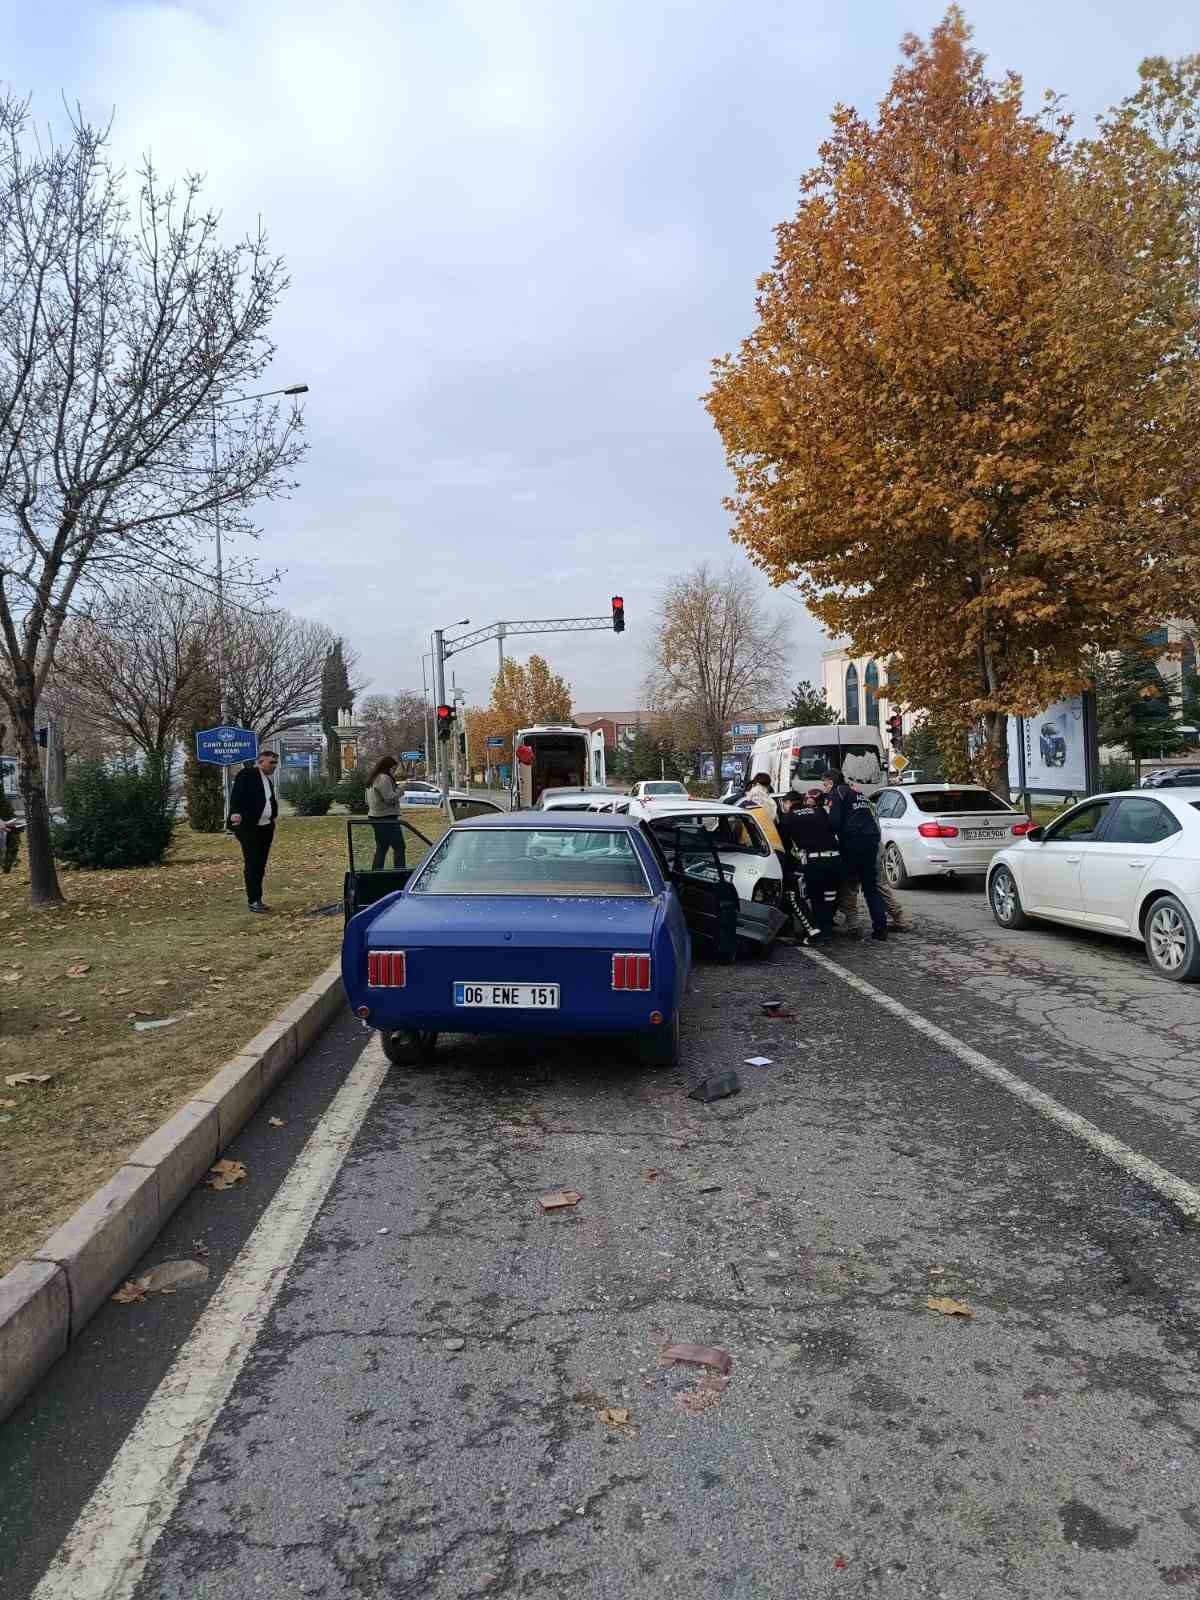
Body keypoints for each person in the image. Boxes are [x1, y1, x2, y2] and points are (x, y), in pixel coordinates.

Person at [822, 767, 888, 941]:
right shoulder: (857, 794)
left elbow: (834, 823)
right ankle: (880, 928)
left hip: (852, 843)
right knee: (870, 888)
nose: (824, 789)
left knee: (838, 881)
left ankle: (828, 923)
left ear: (830, 781)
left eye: (825, 784)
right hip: (871, 841)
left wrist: (821, 828)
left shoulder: (837, 793)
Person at [776, 791, 833, 943]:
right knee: (826, 897)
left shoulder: (787, 819)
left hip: (812, 861)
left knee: (794, 895)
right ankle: (826, 930)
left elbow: (784, 846)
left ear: (788, 803)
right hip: (833, 859)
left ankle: (812, 932)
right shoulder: (819, 811)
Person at [228, 749, 279, 913]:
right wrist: (235, 813)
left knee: (261, 864)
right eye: (271, 762)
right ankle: (254, 899)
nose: (274, 766)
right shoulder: (247, 774)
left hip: (266, 827)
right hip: (250, 828)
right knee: (253, 863)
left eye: (275, 763)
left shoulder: (267, 780)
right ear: (261, 761)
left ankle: (258, 898)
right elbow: (236, 795)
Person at [366, 755, 405, 870]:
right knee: (399, 847)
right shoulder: (384, 778)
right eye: (393, 768)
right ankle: (400, 872)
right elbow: (390, 798)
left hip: (375, 816)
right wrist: (401, 789)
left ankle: (376, 873)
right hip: (386, 818)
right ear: (387, 767)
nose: (393, 771)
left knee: (382, 848)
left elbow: (366, 801)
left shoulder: (373, 778)